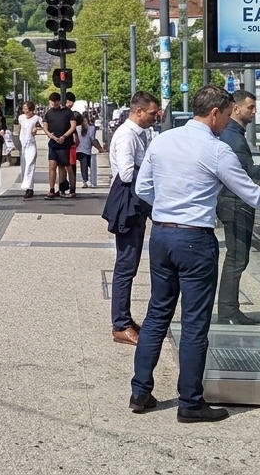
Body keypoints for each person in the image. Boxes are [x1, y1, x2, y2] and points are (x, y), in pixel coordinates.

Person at [130, 85, 260, 422]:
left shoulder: (162, 140)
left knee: (157, 314)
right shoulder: (217, 151)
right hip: (195, 241)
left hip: (161, 236)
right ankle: (190, 403)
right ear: (214, 113)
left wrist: (168, 210)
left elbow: (143, 188)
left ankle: (140, 391)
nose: (229, 120)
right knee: (194, 323)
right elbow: (252, 195)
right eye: (228, 114)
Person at [216, 90, 260, 326]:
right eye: (250, 107)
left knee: (237, 258)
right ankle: (228, 312)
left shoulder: (232, 134)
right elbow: (246, 174)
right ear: (235, 109)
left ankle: (230, 310)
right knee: (237, 258)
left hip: (231, 202)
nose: (254, 111)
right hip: (235, 203)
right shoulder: (233, 138)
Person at [107, 91, 161, 346]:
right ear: (138, 111)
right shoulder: (127, 136)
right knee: (125, 265)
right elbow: (127, 174)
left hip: (136, 203)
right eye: (152, 113)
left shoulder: (141, 134)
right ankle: (120, 324)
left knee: (130, 263)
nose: (155, 117)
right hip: (128, 204)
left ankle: (124, 319)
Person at [43, 93, 75, 199]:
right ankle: (52, 189)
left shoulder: (68, 112)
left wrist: (64, 136)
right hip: (53, 144)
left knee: (66, 166)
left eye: (53, 102)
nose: (51, 104)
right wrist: (51, 136)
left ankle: (70, 188)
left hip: (65, 144)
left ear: (58, 102)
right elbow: (45, 127)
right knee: (52, 166)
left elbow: (73, 126)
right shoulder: (48, 113)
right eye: (50, 102)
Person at [16, 101, 42, 199]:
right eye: (24, 109)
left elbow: (43, 126)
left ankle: (28, 187)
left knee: (30, 165)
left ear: (31, 110)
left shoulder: (37, 118)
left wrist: (37, 128)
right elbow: (19, 128)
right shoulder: (21, 117)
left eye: (26, 109)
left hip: (31, 144)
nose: (25, 111)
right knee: (24, 166)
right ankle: (29, 188)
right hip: (23, 145)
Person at [77, 112, 105, 188]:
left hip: (77, 149)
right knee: (87, 164)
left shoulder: (77, 128)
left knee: (84, 164)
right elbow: (93, 140)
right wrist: (100, 148)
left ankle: (85, 181)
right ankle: (87, 181)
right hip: (86, 150)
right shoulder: (91, 128)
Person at [64, 92, 84, 196]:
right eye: (68, 101)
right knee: (63, 166)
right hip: (63, 143)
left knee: (71, 165)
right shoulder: (64, 113)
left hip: (70, 144)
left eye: (72, 102)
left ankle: (72, 188)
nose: (70, 104)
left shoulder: (71, 114)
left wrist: (75, 135)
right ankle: (64, 187)